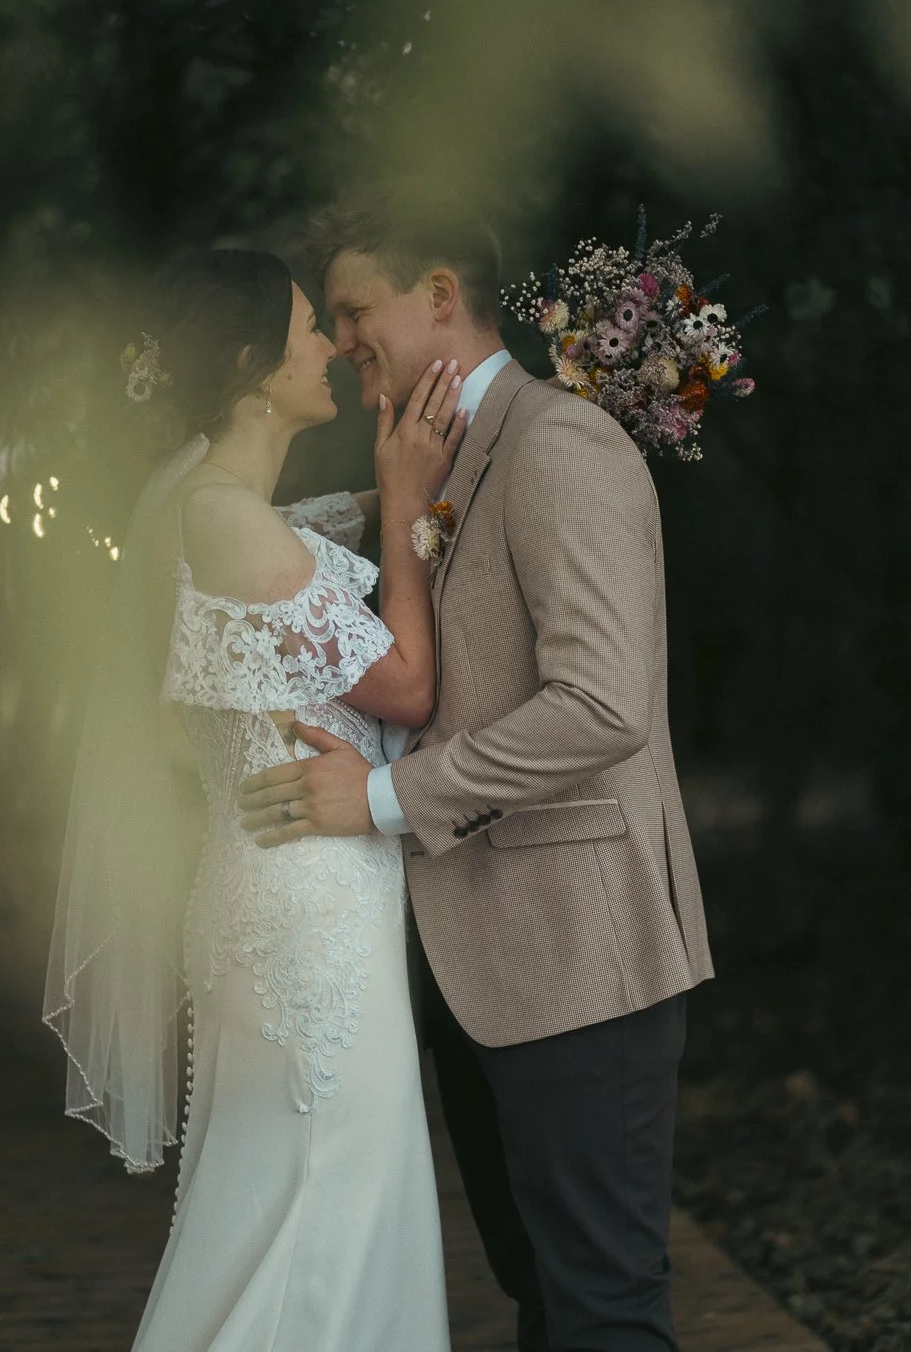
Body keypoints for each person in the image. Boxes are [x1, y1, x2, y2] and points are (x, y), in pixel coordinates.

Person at [239, 188, 716, 1352]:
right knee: (541, 1295)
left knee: (601, 1309)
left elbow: (600, 702)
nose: (343, 337)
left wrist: (382, 799)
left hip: (576, 962)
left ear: (440, 296)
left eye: (356, 309)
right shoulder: (435, 458)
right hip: (476, 967)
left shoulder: (560, 444)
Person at [42, 248, 467, 1352]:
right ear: (247, 364)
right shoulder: (227, 519)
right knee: (320, 1215)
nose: (329, 344)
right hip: (304, 917)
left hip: (283, 892)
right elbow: (408, 688)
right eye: (302, 330)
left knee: (306, 1207)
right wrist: (412, 513)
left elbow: (281, 638)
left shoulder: (218, 506)